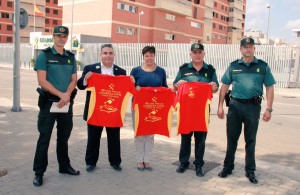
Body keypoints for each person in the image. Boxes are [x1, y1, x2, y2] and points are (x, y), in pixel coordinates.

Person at [217, 37, 276, 184]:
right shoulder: (233, 66)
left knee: (250, 140)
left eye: (250, 46)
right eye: (245, 47)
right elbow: (224, 86)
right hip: (235, 106)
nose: (248, 49)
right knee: (232, 139)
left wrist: (269, 109)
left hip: (252, 107)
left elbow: (269, 88)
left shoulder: (262, 67)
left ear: (254, 48)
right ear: (241, 49)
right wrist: (219, 106)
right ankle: (227, 167)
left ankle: (250, 170)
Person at [33, 26, 79, 187]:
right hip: (49, 103)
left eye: (64, 35)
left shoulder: (70, 57)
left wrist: (66, 96)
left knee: (64, 137)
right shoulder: (44, 56)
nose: (61, 38)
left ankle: (64, 166)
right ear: (53, 36)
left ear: (67, 38)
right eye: (58, 35)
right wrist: (62, 95)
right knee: (44, 138)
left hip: (65, 103)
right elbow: (42, 81)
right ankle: (39, 172)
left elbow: (74, 79)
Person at [77, 44, 126, 172]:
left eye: (110, 53)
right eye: (105, 53)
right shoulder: (91, 69)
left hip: (113, 112)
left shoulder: (121, 72)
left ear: (114, 55)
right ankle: (91, 162)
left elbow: (125, 90)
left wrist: (131, 81)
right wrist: (85, 79)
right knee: (93, 138)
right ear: (100, 55)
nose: (108, 56)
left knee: (114, 139)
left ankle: (115, 162)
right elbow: (80, 86)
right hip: (95, 112)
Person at [173, 41, 219, 177]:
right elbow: (174, 87)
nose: (197, 55)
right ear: (190, 54)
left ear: (204, 54)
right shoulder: (183, 69)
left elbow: (215, 89)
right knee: (185, 137)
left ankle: (199, 164)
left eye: (200, 52)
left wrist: (213, 87)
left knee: (200, 138)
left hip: (202, 112)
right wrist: (177, 85)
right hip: (186, 111)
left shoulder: (210, 70)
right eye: (195, 52)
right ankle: (184, 162)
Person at [130, 45, 168, 171]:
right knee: (139, 134)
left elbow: (165, 88)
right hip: (139, 107)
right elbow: (129, 89)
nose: (149, 58)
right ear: (143, 57)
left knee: (150, 135)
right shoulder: (135, 71)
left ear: (154, 56)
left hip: (154, 107)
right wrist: (135, 89)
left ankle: (147, 160)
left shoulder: (161, 71)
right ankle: (139, 160)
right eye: (146, 55)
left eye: (151, 55)